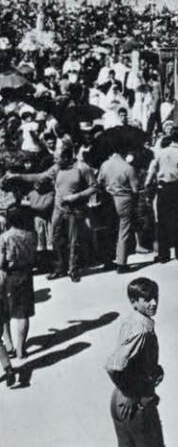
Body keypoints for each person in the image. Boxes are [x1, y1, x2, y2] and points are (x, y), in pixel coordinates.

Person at [12, 140, 98, 282]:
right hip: (58, 210)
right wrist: (18, 176)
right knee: (56, 239)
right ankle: (59, 268)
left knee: (74, 241)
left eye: (57, 158)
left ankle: (73, 269)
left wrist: (77, 196)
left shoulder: (82, 168)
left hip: (75, 210)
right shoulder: (57, 168)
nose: (55, 161)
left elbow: (94, 187)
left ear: (66, 157)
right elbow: (40, 176)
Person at [105, 277, 165, 447]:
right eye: (147, 299)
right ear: (134, 302)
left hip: (121, 397)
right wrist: (131, 394)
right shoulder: (142, 331)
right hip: (135, 400)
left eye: (156, 297)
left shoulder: (132, 320)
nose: (154, 303)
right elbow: (113, 366)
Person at [0, 208, 38, 361]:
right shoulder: (31, 235)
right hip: (27, 275)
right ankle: (21, 349)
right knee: (23, 314)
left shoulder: (5, 237)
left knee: (5, 313)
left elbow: (1, 261)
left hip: (10, 275)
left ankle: (9, 346)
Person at [145, 129, 178, 263]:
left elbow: (152, 169)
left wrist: (147, 183)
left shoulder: (160, 152)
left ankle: (164, 254)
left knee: (162, 222)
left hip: (163, 188)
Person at [97, 143, 140, 273]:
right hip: (124, 199)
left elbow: (99, 182)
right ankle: (121, 263)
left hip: (108, 199)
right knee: (123, 230)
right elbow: (135, 189)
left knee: (109, 231)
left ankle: (108, 261)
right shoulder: (128, 168)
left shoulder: (105, 164)